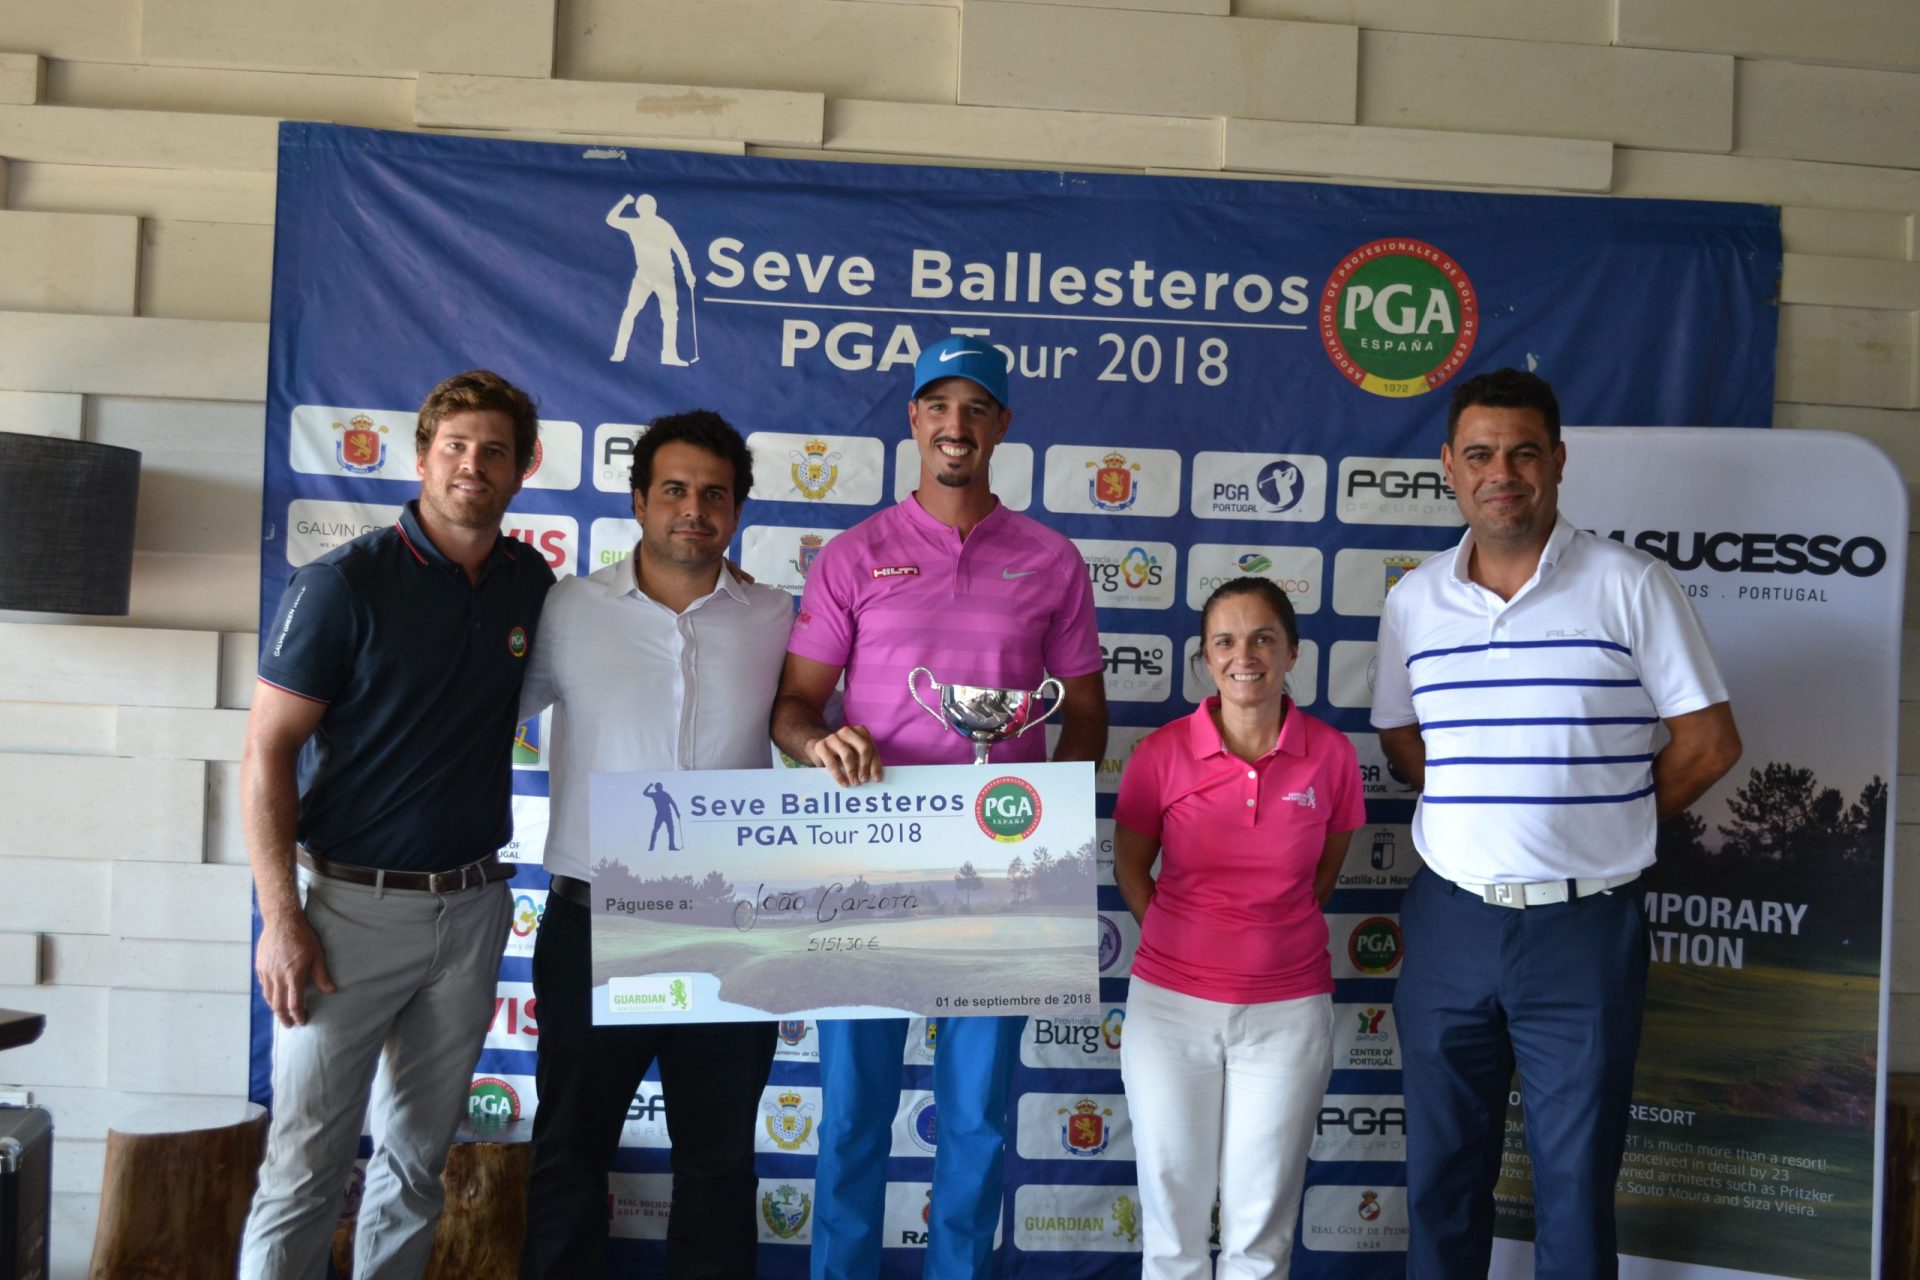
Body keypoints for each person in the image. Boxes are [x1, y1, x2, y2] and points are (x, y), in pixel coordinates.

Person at [1370, 367, 1742, 1280]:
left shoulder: (1631, 585)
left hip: (1583, 930)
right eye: (1483, 455)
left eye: (1525, 453)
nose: (1505, 473)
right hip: (1452, 922)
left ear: (1559, 463)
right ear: (1450, 468)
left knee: (1574, 1187)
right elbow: (1404, 743)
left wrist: (1605, 819)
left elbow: (1710, 742)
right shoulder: (1414, 602)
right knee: (1441, 1179)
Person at [771, 334, 1109, 1278]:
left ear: (1002, 425)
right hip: (866, 864)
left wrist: (1052, 813)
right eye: (938, 406)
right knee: (851, 1118)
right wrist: (815, 742)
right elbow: (795, 706)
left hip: (1002, 876)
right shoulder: (854, 555)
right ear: (914, 419)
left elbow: (1084, 713)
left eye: (976, 408)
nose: (955, 425)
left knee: (975, 1122)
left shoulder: (1052, 559)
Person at [239, 370, 554, 1280]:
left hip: (470, 909)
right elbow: (265, 754)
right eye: (455, 446)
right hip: (344, 913)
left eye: (495, 450)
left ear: (523, 469)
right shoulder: (344, 583)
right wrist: (282, 919)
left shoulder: (529, 582)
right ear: (422, 458)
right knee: (304, 1170)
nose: (473, 465)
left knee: (417, 1168)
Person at [517, 410, 792, 1280]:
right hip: (593, 920)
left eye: (715, 494)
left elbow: (814, 721)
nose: (693, 510)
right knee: (568, 1155)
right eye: (673, 489)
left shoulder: (777, 616)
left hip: (726, 926)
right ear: (639, 500)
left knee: (717, 1164)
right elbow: (481, 715)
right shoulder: (566, 608)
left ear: (738, 510)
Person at [1113, 577, 1364, 1279]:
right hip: (1170, 1010)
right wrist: (1187, 943)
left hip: (1288, 1013)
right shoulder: (1161, 754)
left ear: (1292, 653)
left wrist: (1260, 944)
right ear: (1204, 656)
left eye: (1263, 639)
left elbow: (1323, 873)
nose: (1243, 655)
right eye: (1225, 640)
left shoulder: (1332, 755)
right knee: (1173, 1220)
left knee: (1261, 1231)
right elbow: (1133, 869)